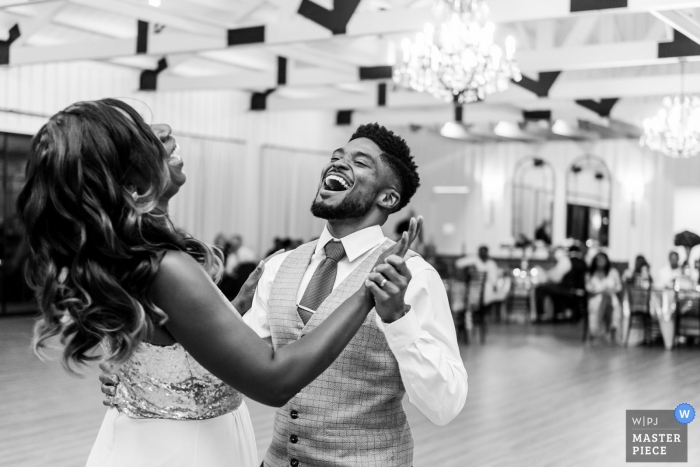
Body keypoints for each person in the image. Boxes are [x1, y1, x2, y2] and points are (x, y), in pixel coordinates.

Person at [20, 100, 419, 467]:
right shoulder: (165, 266)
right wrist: (365, 292)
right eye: (142, 134)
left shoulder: (132, 253)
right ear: (132, 184)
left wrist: (228, 307)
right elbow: (274, 379)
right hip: (183, 450)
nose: (164, 129)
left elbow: (173, 345)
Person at [105, 123, 467, 466]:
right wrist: (136, 370)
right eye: (338, 155)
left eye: (360, 162)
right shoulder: (278, 268)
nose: (339, 162)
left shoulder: (415, 277)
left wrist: (397, 318)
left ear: (388, 197)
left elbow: (445, 405)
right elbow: (226, 363)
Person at [534, 245, 587, 321]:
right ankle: (558, 313)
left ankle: (540, 315)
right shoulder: (583, 262)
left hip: (567, 289)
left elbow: (556, 278)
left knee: (540, 289)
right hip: (579, 290)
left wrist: (546, 274)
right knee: (554, 291)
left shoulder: (566, 261)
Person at [586, 252, 622, 340]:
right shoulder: (590, 274)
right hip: (596, 298)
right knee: (603, 301)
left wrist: (611, 290)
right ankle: (606, 329)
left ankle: (603, 328)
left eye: (603, 259)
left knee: (609, 301)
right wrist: (601, 291)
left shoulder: (613, 272)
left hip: (611, 297)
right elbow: (588, 289)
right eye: (598, 259)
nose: (600, 261)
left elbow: (619, 287)